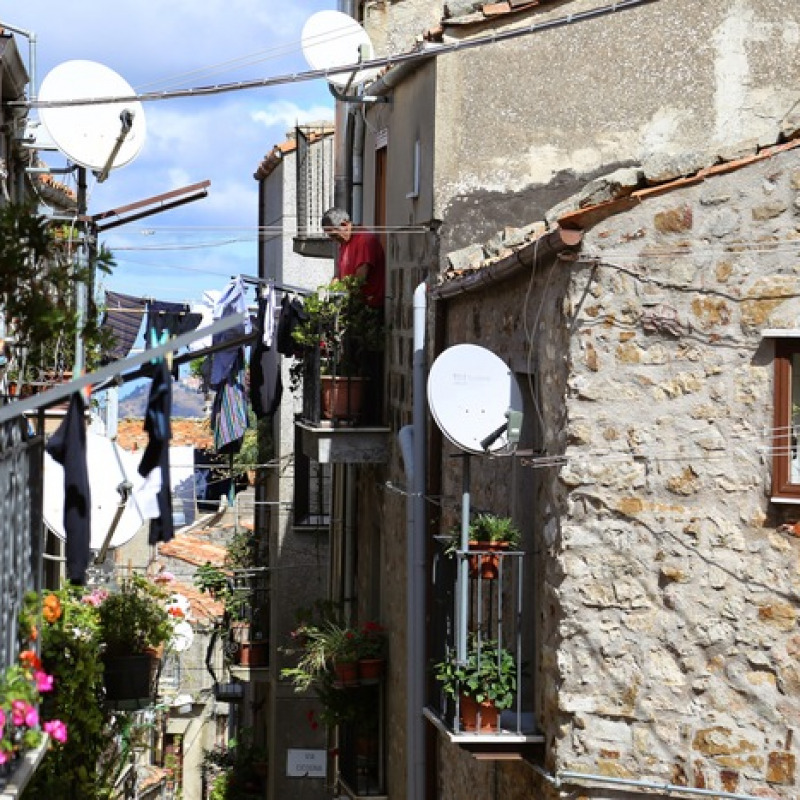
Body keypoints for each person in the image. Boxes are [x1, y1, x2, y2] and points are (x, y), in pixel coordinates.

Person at [321, 207, 385, 310]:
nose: (333, 240)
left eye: (334, 235)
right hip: (353, 304)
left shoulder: (364, 240)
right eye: (330, 236)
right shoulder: (344, 242)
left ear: (345, 225)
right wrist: (329, 292)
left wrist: (339, 295)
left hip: (369, 307)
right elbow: (338, 275)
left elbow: (359, 279)